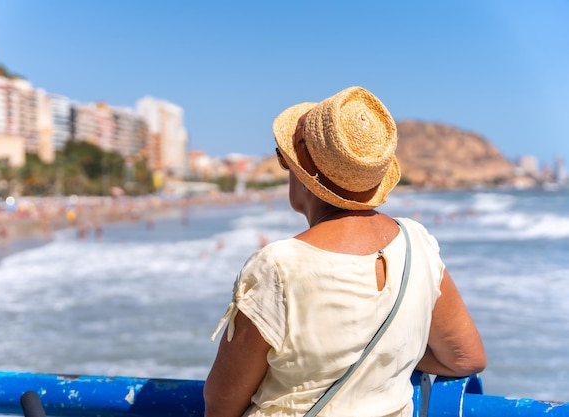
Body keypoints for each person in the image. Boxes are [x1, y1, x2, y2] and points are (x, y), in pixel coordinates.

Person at [204, 86, 486, 417]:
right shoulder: (417, 242)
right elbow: (467, 358)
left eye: (287, 161)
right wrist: (393, 350)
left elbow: (222, 402)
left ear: (305, 176)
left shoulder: (279, 267)